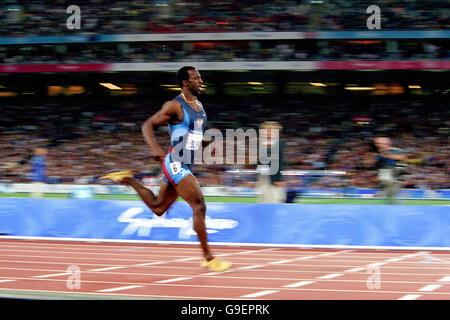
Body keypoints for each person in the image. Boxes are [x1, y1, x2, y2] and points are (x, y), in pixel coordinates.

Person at [100, 66, 231, 272]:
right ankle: (209, 258)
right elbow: (147, 125)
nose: (201, 80)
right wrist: (153, 146)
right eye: (196, 78)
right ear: (185, 83)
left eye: (200, 77)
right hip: (174, 162)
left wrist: (209, 144)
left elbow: (193, 138)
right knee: (199, 205)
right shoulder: (174, 106)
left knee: (158, 208)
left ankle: (129, 179)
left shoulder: (200, 108)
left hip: (186, 163)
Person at [256, 121, 286, 203]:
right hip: (264, 178)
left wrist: (277, 179)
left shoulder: (278, 144)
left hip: (273, 178)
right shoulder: (263, 144)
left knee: (275, 200)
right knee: (265, 200)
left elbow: (277, 163)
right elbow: (260, 163)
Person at [373, 137, 407, 204]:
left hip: (397, 171)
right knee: (388, 188)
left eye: (383, 144)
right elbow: (379, 168)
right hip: (386, 172)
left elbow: (403, 157)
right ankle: (388, 198)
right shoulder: (378, 155)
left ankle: (394, 202)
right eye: (378, 144)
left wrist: (388, 156)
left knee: (393, 190)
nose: (381, 146)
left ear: (388, 144)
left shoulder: (396, 150)